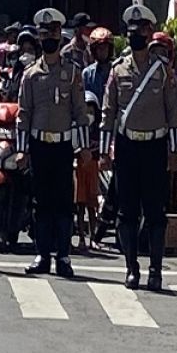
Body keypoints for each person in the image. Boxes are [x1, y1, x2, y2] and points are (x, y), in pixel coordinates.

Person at [100, 4, 177, 290]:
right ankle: (131, 267)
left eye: (142, 30)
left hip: (155, 147)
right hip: (127, 148)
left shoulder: (163, 72)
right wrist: (103, 152)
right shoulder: (117, 70)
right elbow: (107, 113)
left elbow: (173, 115)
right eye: (132, 31)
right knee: (126, 212)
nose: (137, 34)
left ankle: (156, 270)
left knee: (156, 212)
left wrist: (175, 153)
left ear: (150, 33)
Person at [17, 7, 90, 278]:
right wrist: (22, 150)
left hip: (63, 146)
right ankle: (42, 254)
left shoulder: (72, 73)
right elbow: (24, 114)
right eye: (44, 33)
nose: (49, 37)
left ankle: (64, 256)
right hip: (38, 145)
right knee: (41, 202)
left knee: (63, 203)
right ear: (38, 36)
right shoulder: (30, 74)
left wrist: (83, 147)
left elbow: (79, 112)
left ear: (61, 36)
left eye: (54, 32)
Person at [76, 91, 103, 251]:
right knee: (80, 206)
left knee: (92, 206)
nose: (89, 115)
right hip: (79, 167)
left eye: (91, 112)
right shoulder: (77, 129)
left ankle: (93, 237)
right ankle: (81, 238)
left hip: (93, 167)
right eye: (86, 111)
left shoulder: (98, 132)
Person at [82, 27, 114, 100]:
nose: (102, 51)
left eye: (105, 47)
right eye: (99, 48)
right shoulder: (87, 73)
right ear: (94, 51)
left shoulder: (117, 70)